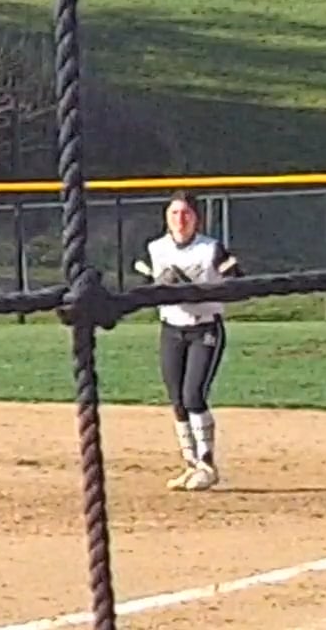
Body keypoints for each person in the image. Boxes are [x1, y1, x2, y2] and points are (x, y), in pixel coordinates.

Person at [131, 191, 242, 492]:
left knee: (194, 395)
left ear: (196, 218)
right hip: (171, 329)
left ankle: (207, 465)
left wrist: (201, 291)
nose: (180, 220)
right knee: (177, 400)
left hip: (204, 328)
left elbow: (236, 279)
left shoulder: (210, 248)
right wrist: (156, 286)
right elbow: (143, 281)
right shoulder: (156, 248)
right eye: (174, 214)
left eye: (186, 214)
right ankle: (191, 464)